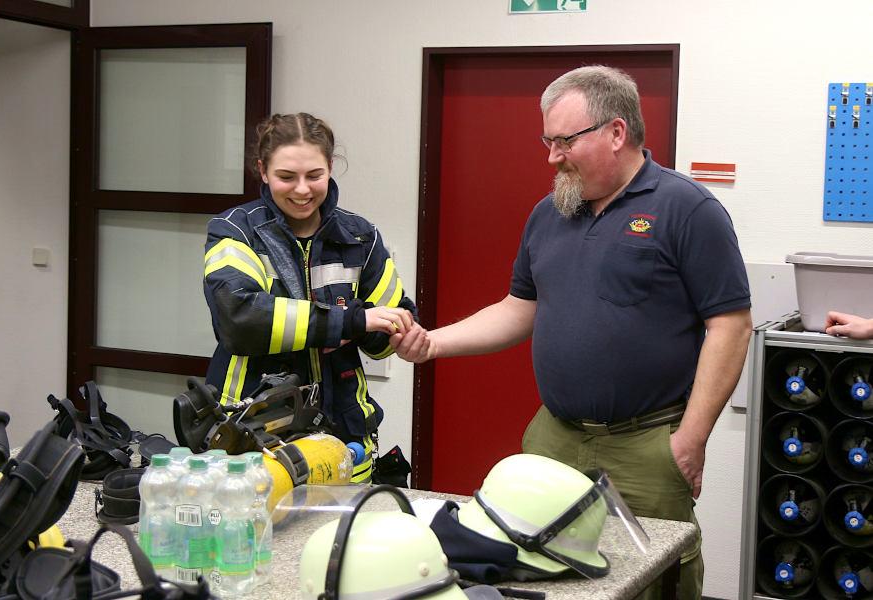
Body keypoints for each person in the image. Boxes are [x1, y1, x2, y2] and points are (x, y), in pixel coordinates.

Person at [391, 66, 753, 599]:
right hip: (554, 436)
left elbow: (731, 326)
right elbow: (520, 307)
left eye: (565, 141)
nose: (552, 156)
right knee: (534, 568)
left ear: (616, 132)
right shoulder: (550, 213)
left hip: (646, 442)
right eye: (547, 140)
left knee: (651, 579)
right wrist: (434, 343)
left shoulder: (687, 209)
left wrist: (691, 438)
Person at [203, 112, 416, 483]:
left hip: (345, 435)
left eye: (314, 175)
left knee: (337, 541)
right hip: (252, 434)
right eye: (286, 177)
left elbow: (387, 333)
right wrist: (349, 321)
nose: (302, 190)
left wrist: (393, 331)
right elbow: (240, 321)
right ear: (263, 170)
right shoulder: (235, 232)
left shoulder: (361, 236)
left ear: (330, 168)